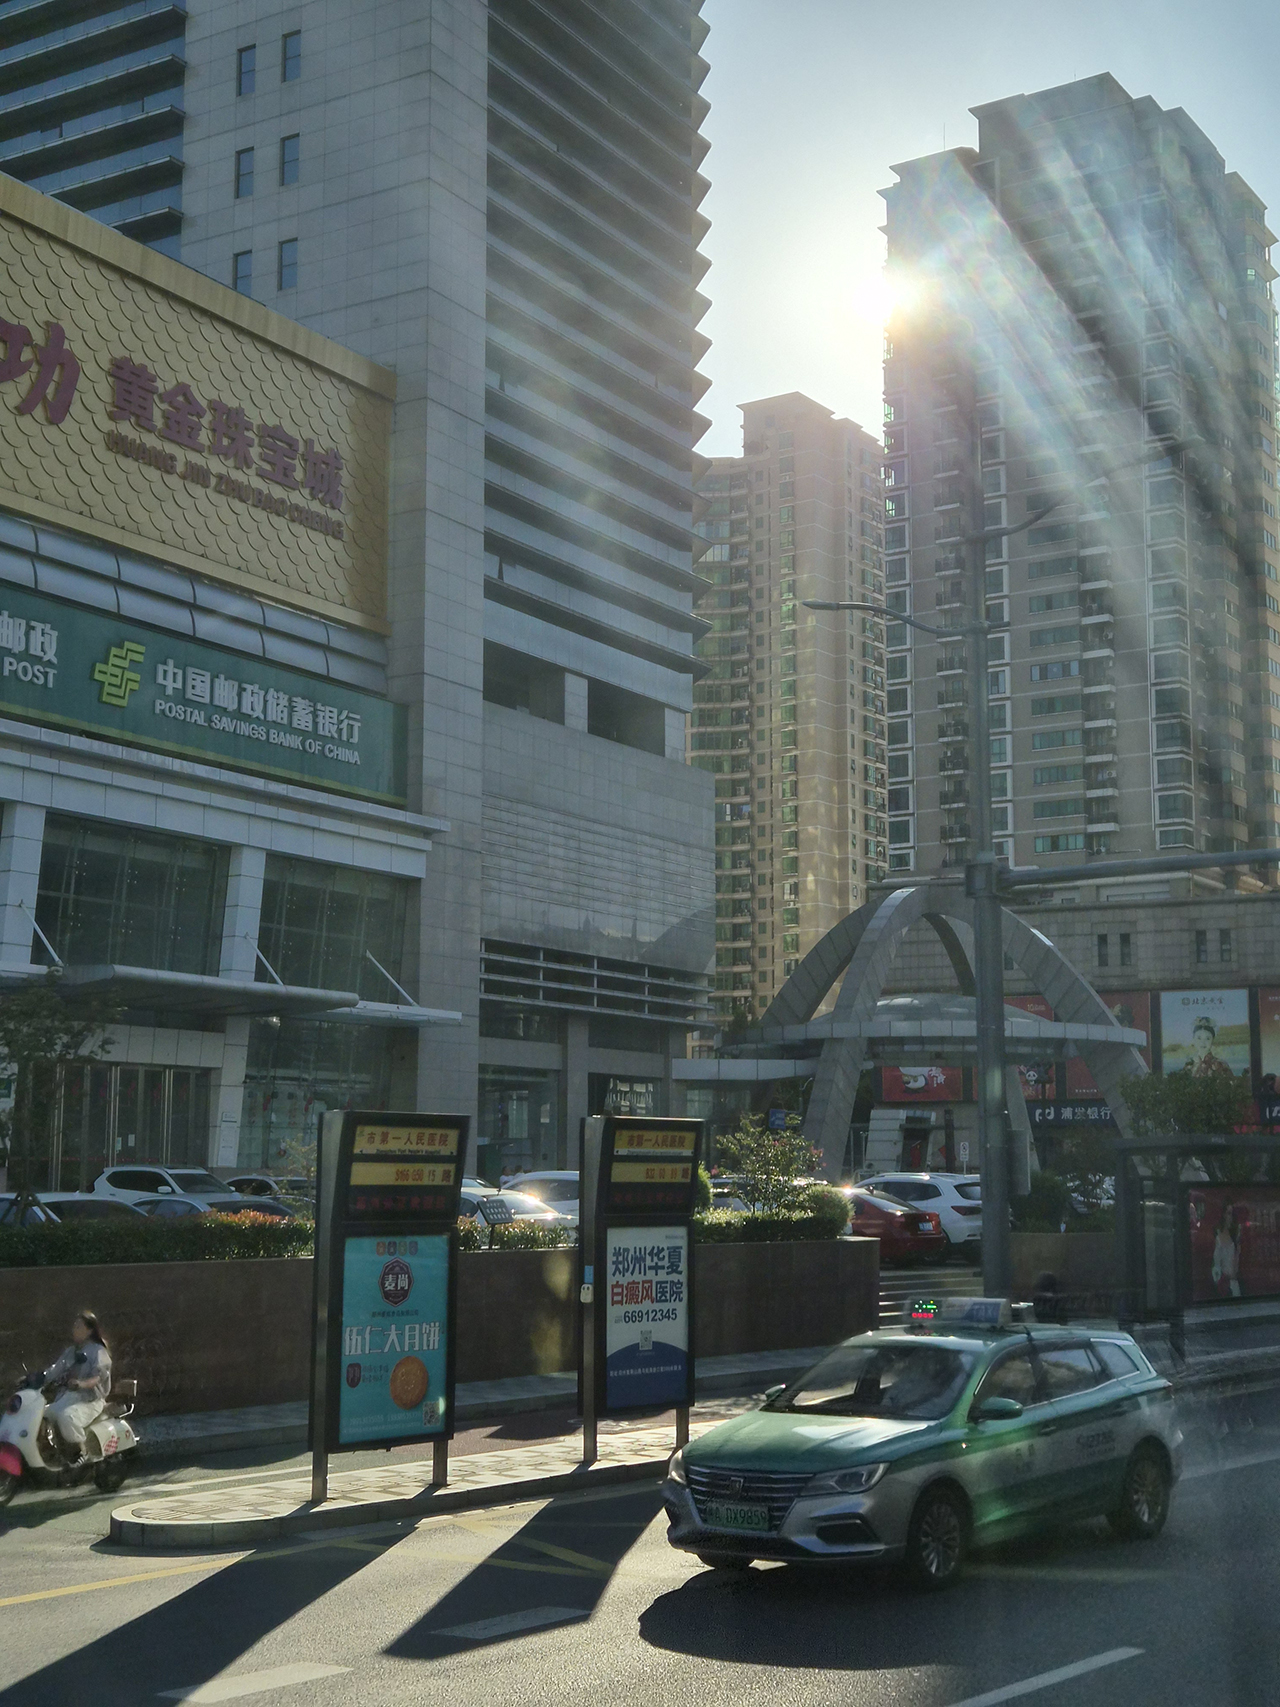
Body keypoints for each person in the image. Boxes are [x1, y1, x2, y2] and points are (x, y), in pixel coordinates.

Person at [38, 1312, 112, 1467]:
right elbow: (54, 1371)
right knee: (41, 1415)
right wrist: (35, 1378)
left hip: (90, 1400)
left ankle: (81, 1450)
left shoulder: (98, 1351)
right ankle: (52, 1452)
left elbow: (99, 1377)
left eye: (78, 1326)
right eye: (74, 1325)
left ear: (89, 1330)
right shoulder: (71, 1352)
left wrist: (81, 1384)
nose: (74, 1329)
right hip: (68, 1398)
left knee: (67, 1417)